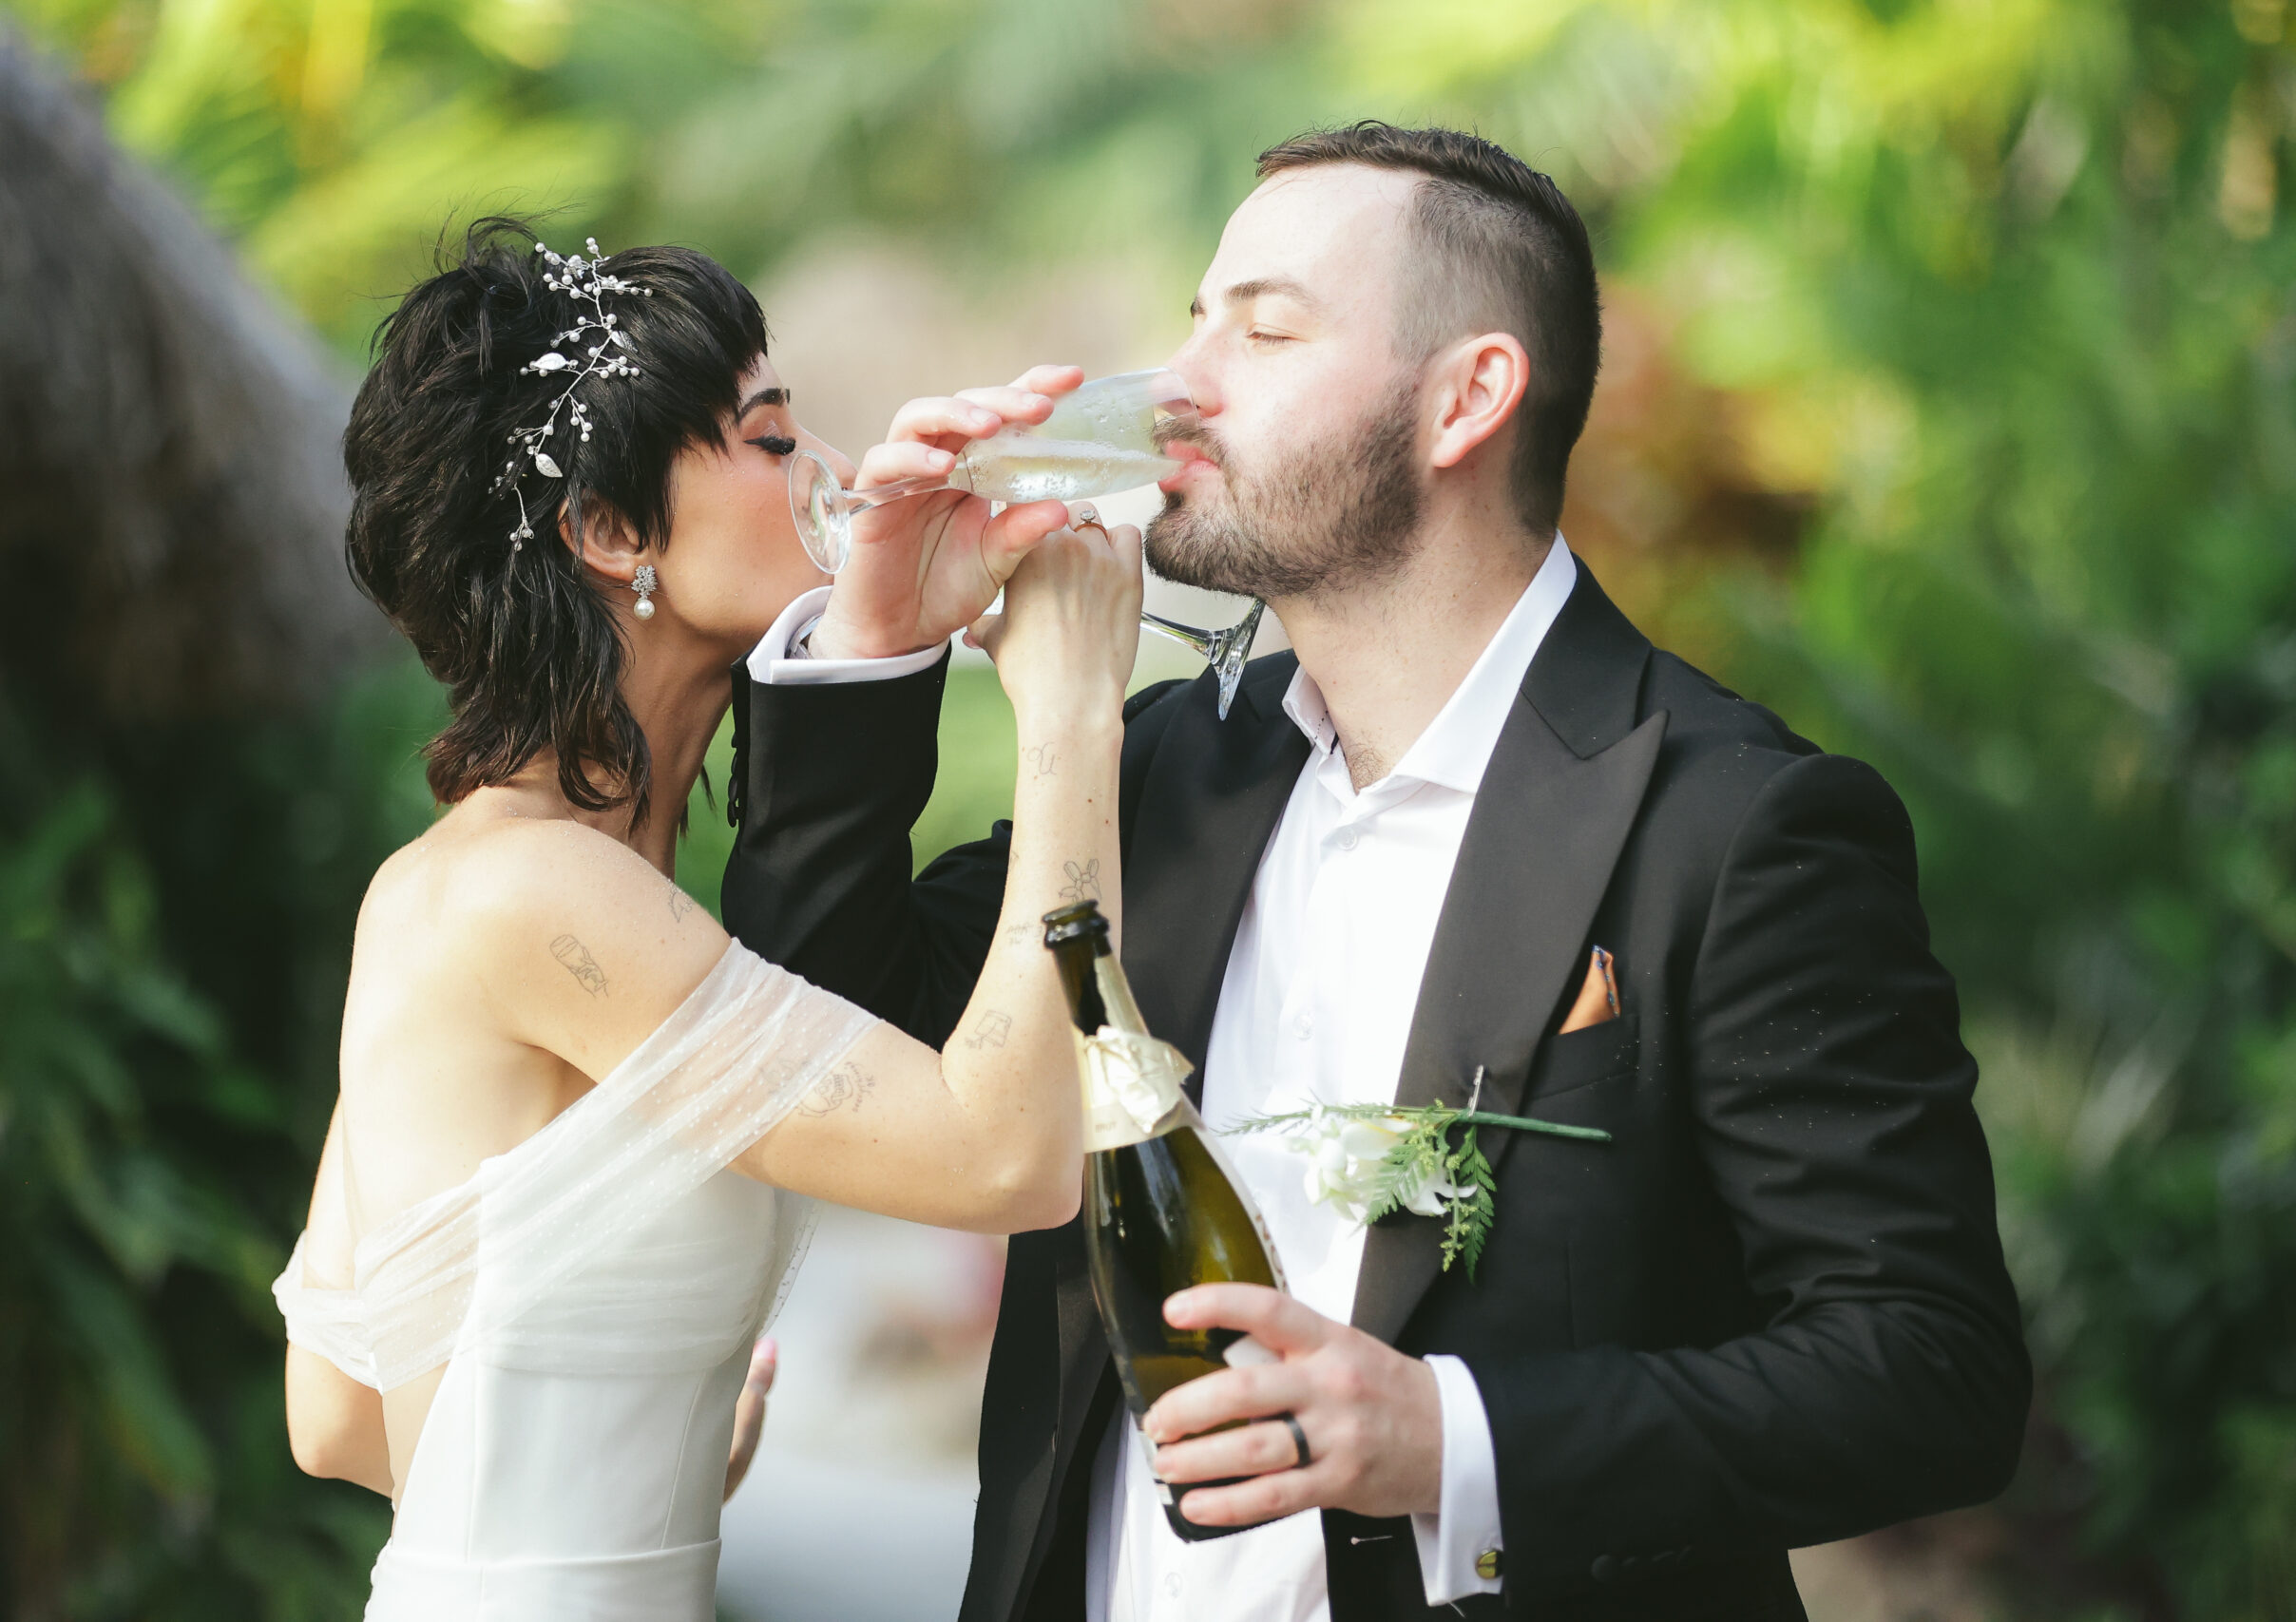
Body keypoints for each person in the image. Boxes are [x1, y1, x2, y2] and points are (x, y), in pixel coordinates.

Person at [722, 124, 2033, 1620]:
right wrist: (876, 636)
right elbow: (819, 1038)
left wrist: (1445, 1443)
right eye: (1196, 318)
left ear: (1467, 396)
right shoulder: (1159, 771)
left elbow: (1930, 1371)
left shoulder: (1735, 824)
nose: (1182, 380)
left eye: (1265, 329)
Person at [273, 219, 1142, 1621]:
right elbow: (1011, 1158)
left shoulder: (469, 884)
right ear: (613, 533)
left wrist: (614, 1463)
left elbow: (337, 1410)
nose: (832, 476)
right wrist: (1073, 708)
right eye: (773, 438)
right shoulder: (537, 895)